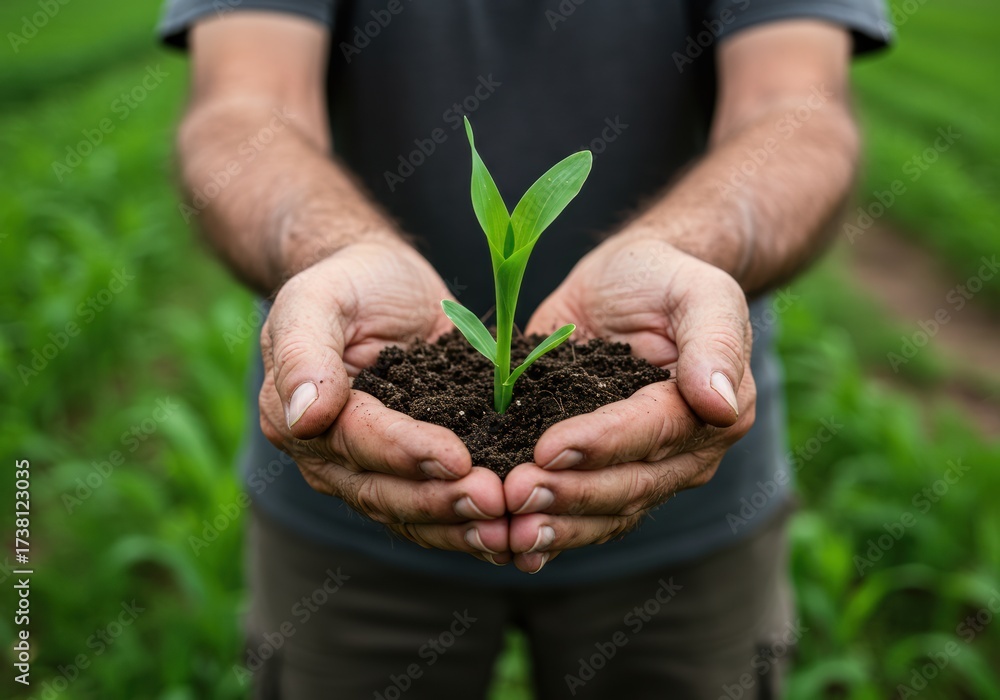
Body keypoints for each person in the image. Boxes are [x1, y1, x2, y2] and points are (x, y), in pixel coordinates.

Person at [161, 1, 888, 697]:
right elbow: (244, 105)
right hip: (349, 490)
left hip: (686, 509)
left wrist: (678, 248)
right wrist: (334, 249)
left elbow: (796, 109)